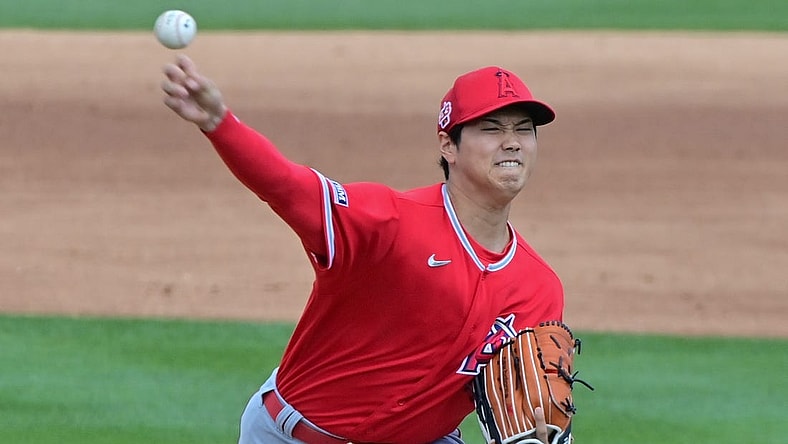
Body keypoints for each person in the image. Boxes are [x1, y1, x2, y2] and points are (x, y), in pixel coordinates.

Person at [161, 55, 565, 444]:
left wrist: (540, 428)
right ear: (449, 146)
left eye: (524, 130)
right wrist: (219, 123)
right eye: (492, 129)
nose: (512, 143)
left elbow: (532, 407)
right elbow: (287, 186)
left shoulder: (539, 289)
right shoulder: (387, 222)